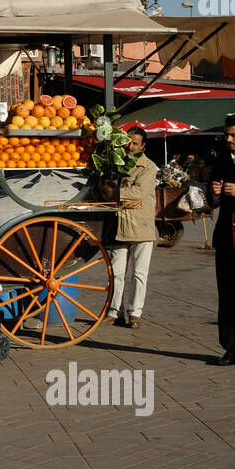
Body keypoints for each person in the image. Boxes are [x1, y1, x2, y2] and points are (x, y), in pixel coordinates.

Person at [106, 125, 158, 329]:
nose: (130, 146)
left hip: (140, 224)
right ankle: (114, 311)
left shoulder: (149, 167)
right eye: (127, 142)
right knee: (116, 272)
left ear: (143, 146)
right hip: (118, 224)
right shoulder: (115, 163)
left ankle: (135, 312)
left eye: (135, 143)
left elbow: (139, 192)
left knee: (139, 273)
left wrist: (114, 193)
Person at [207, 113, 235, 365]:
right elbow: (211, 198)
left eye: (234, 135)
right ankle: (231, 348)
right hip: (226, 236)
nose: (228, 139)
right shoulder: (221, 159)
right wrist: (214, 193)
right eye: (227, 134)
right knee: (227, 295)